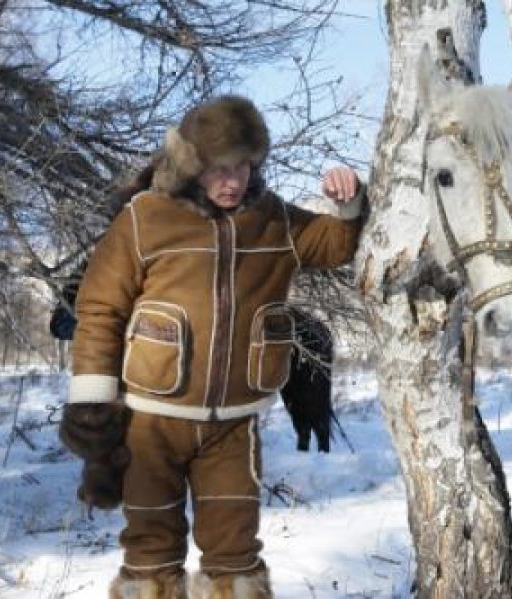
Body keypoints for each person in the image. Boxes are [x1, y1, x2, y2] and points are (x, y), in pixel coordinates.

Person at [58, 95, 365, 599]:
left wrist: (347, 201)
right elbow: (99, 311)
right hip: (150, 421)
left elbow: (334, 244)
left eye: (244, 166)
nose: (234, 181)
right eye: (220, 168)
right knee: (150, 556)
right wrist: (94, 403)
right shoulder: (145, 218)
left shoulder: (273, 220)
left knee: (235, 559)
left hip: (233, 426)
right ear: (191, 166)